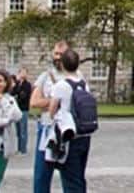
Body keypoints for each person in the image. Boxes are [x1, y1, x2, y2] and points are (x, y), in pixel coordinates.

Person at [42, 49, 93, 192]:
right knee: (79, 176)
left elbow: (52, 110)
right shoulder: (84, 84)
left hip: (68, 134)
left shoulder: (61, 85)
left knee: (70, 178)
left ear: (62, 64)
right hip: (84, 134)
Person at [29, 41, 70, 193]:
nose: (58, 57)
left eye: (62, 54)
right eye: (56, 54)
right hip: (47, 128)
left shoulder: (76, 76)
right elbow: (34, 102)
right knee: (41, 176)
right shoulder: (46, 76)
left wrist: (51, 102)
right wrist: (57, 101)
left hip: (67, 130)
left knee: (70, 176)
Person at [9, 67, 34, 155]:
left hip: (23, 109)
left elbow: (24, 95)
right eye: (21, 72)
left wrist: (17, 95)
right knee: (18, 130)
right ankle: (19, 148)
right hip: (17, 109)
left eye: (24, 72)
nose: (22, 74)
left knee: (23, 129)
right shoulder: (17, 84)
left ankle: (23, 149)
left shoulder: (27, 85)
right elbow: (12, 93)